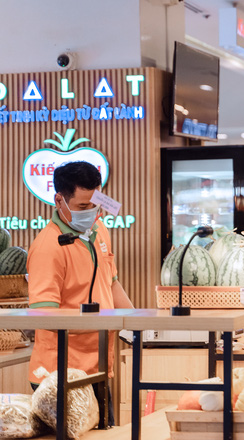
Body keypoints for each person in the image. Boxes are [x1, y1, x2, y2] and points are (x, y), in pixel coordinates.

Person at [27, 161, 133, 426]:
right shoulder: (48, 247)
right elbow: (45, 316)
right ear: (59, 200)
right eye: (83, 207)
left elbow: (111, 283)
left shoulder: (99, 230)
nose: (92, 213)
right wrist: (104, 323)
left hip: (97, 367)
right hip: (59, 374)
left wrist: (134, 324)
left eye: (95, 205)